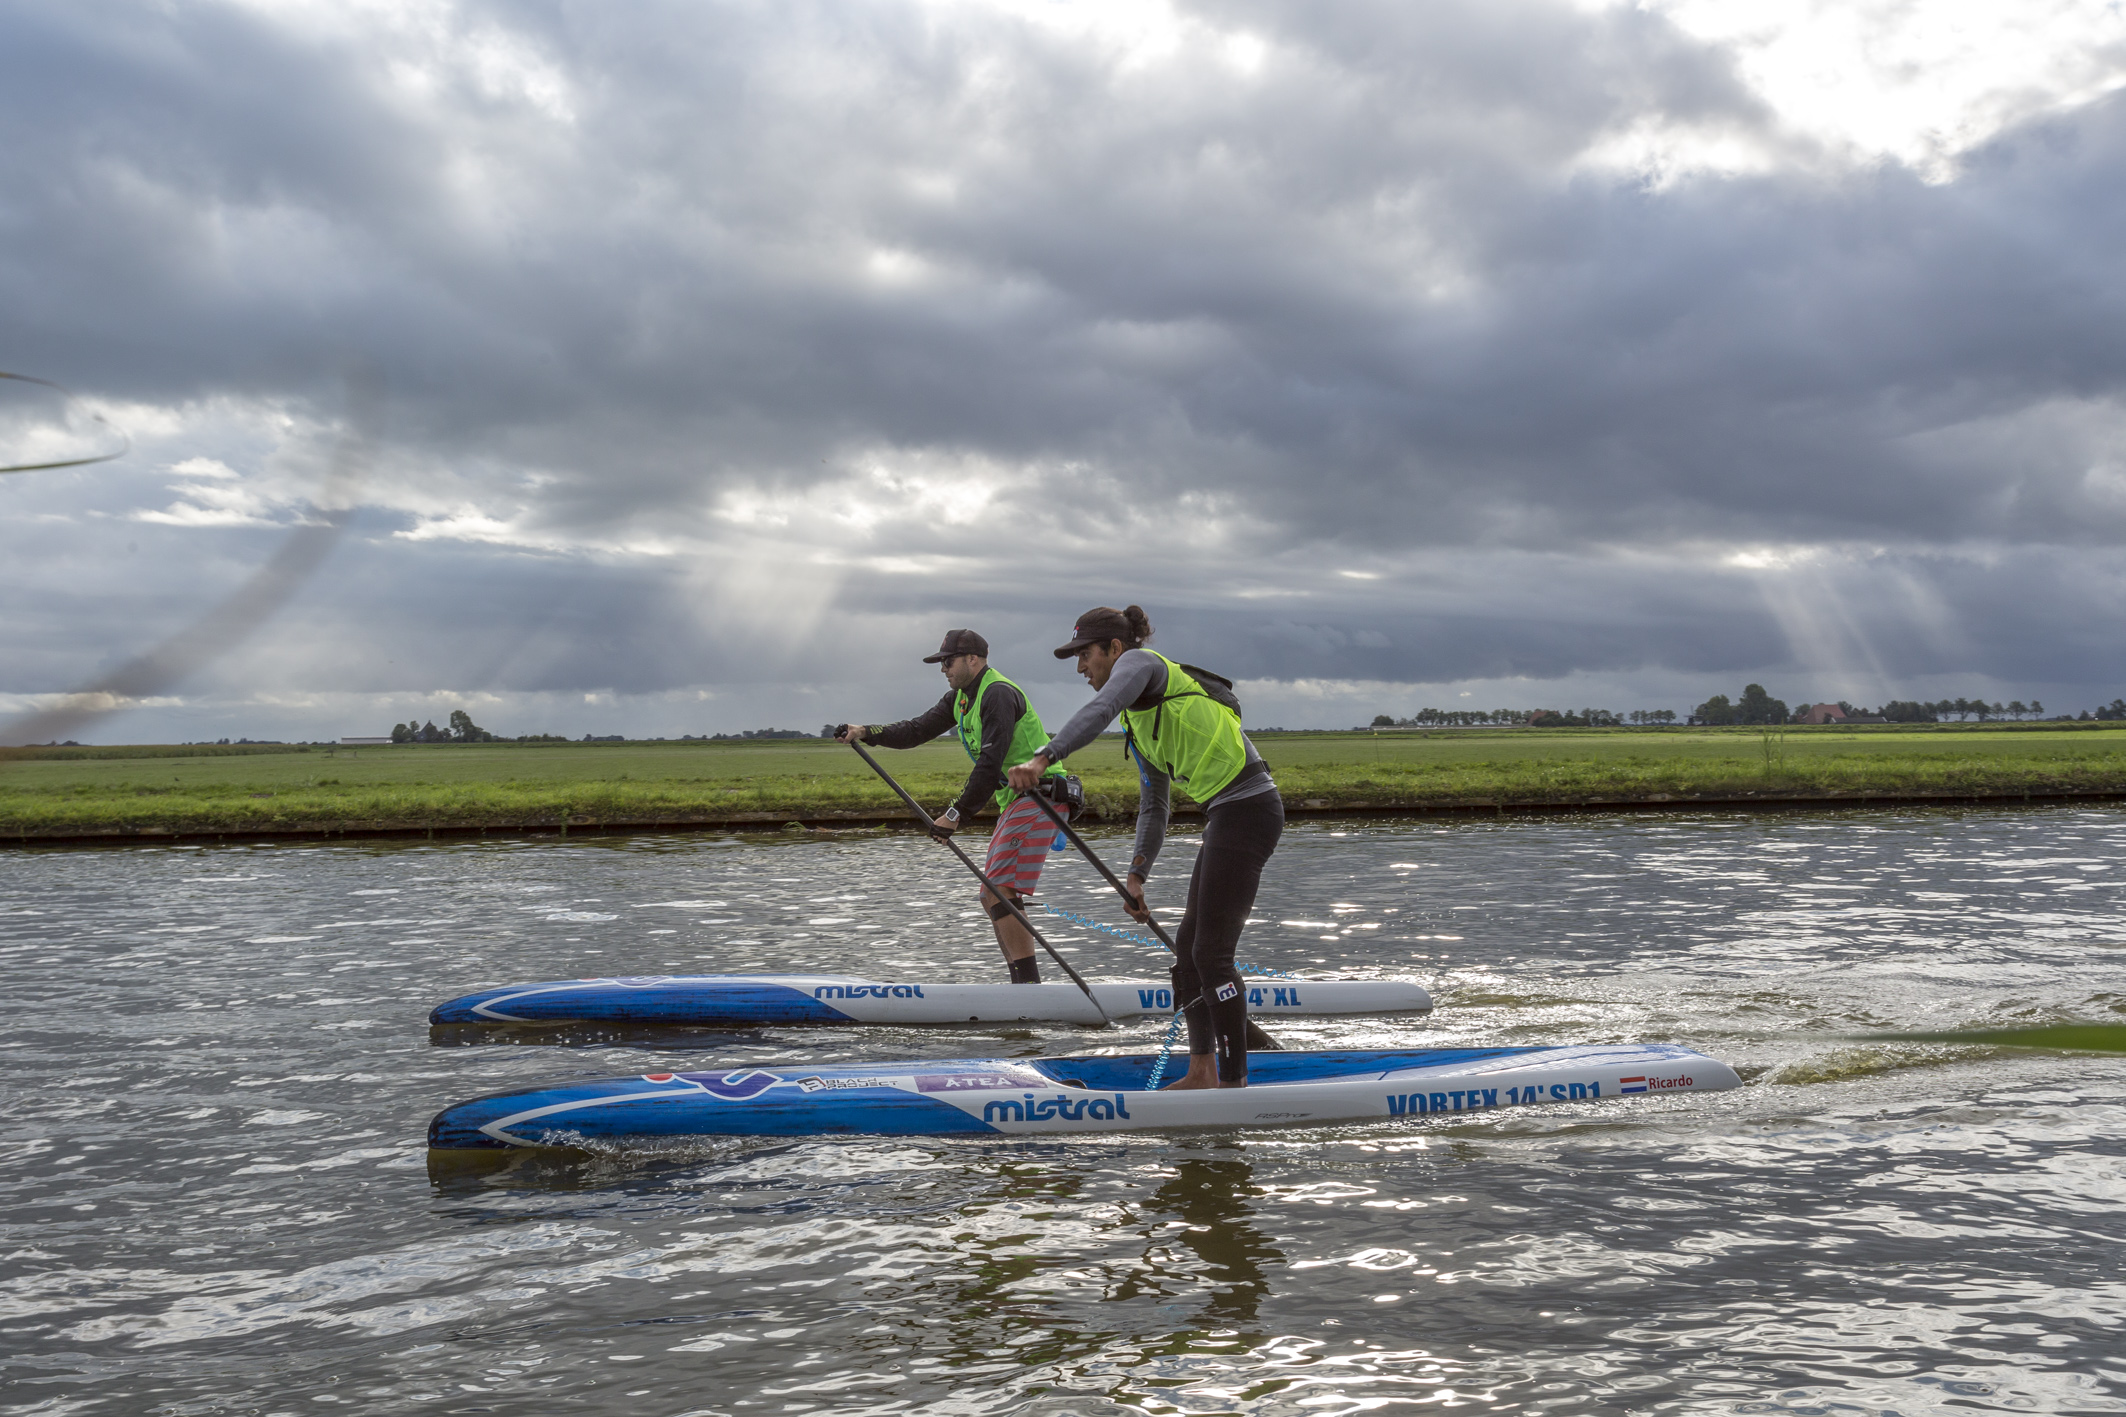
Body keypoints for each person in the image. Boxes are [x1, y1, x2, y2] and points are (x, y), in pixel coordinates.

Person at [1007, 605, 1282, 1089]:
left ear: (1115, 649)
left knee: (1213, 956)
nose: (1080, 667)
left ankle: (1235, 1087)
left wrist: (1045, 756)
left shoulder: (1142, 664)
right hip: (1225, 815)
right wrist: (1137, 874)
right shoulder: (1139, 722)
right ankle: (1201, 1071)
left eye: (1085, 655)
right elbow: (1156, 806)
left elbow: (1100, 708)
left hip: (1250, 811)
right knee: (1187, 954)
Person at [838, 628, 1075, 983]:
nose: (943, 668)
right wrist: (867, 731)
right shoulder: (961, 699)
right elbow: (916, 730)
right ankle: (1023, 985)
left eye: (948, 661)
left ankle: (1028, 987)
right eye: (941, 662)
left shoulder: (997, 694)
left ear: (973, 660)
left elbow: (990, 762)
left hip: (1041, 797)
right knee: (990, 893)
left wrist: (955, 814)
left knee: (998, 889)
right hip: (1019, 800)